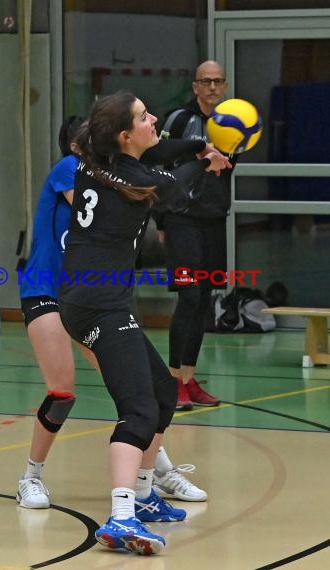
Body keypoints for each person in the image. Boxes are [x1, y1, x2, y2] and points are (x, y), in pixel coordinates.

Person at [58, 91, 230, 555]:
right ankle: (120, 516)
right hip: (97, 304)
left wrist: (198, 145)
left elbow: (161, 151)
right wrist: (207, 160)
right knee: (138, 410)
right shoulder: (128, 175)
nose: (154, 118)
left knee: (161, 394)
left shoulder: (103, 157)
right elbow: (170, 186)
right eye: (144, 116)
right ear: (124, 135)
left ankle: (144, 495)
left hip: (99, 298)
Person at [16, 116, 210, 511]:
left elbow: (146, 168)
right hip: (49, 290)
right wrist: (187, 166)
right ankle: (30, 477)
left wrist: (194, 149)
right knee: (63, 390)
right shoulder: (74, 170)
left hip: (92, 295)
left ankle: (157, 471)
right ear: (78, 145)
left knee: (136, 386)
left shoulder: (108, 169)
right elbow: (122, 195)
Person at [153, 60, 238, 410]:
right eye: (206, 81)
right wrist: (161, 221)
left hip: (214, 221)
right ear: (195, 87)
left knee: (204, 301)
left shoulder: (234, 123)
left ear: (225, 85)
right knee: (188, 296)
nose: (213, 87)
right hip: (181, 219)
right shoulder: (177, 121)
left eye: (218, 81)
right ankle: (172, 382)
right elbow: (158, 165)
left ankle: (189, 379)